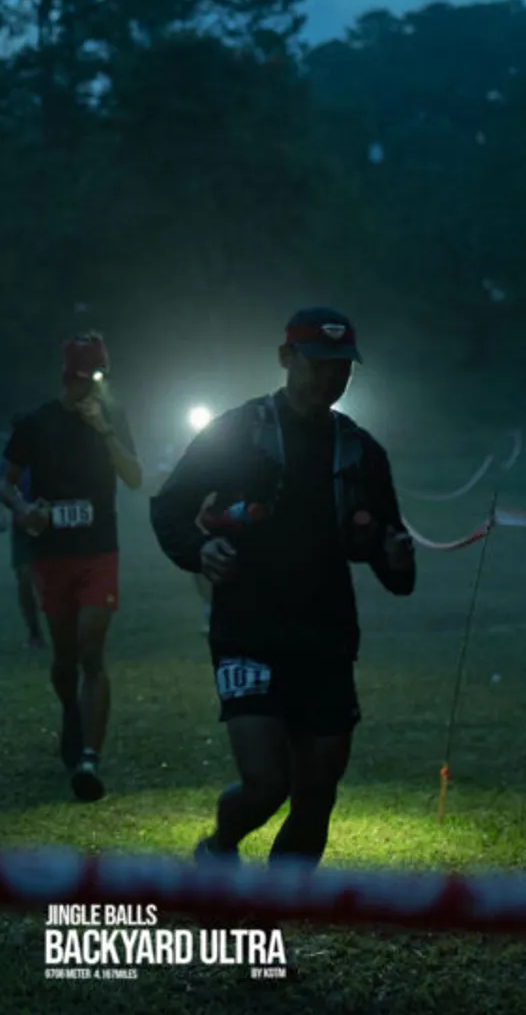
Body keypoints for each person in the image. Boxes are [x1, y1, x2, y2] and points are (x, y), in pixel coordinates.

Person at [150, 307, 416, 868]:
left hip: (326, 635)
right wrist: (199, 550)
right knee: (267, 784)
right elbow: (168, 507)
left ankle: (270, 925)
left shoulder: (362, 451)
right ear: (285, 359)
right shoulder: (236, 432)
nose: (330, 379)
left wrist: (394, 555)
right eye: (318, 364)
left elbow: (395, 570)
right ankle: (220, 847)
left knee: (316, 794)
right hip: (247, 628)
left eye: (342, 367)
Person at [0, 333, 143, 801]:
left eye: (103, 379)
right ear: (71, 378)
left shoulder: (112, 418)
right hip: (53, 554)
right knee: (64, 658)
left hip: (100, 549)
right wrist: (25, 512)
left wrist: (104, 430)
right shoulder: (37, 422)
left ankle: (89, 760)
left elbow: (135, 478)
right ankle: (71, 712)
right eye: (90, 379)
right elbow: (6, 484)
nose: (97, 389)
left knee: (91, 649)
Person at [0, 458, 44, 649]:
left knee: (46, 580)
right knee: (24, 578)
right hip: (22, 526)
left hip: (46, 521)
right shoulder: (10, 457)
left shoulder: (47, 451)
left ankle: (62, 629)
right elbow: (1, 489)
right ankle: (34, 634)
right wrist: (1, 517)